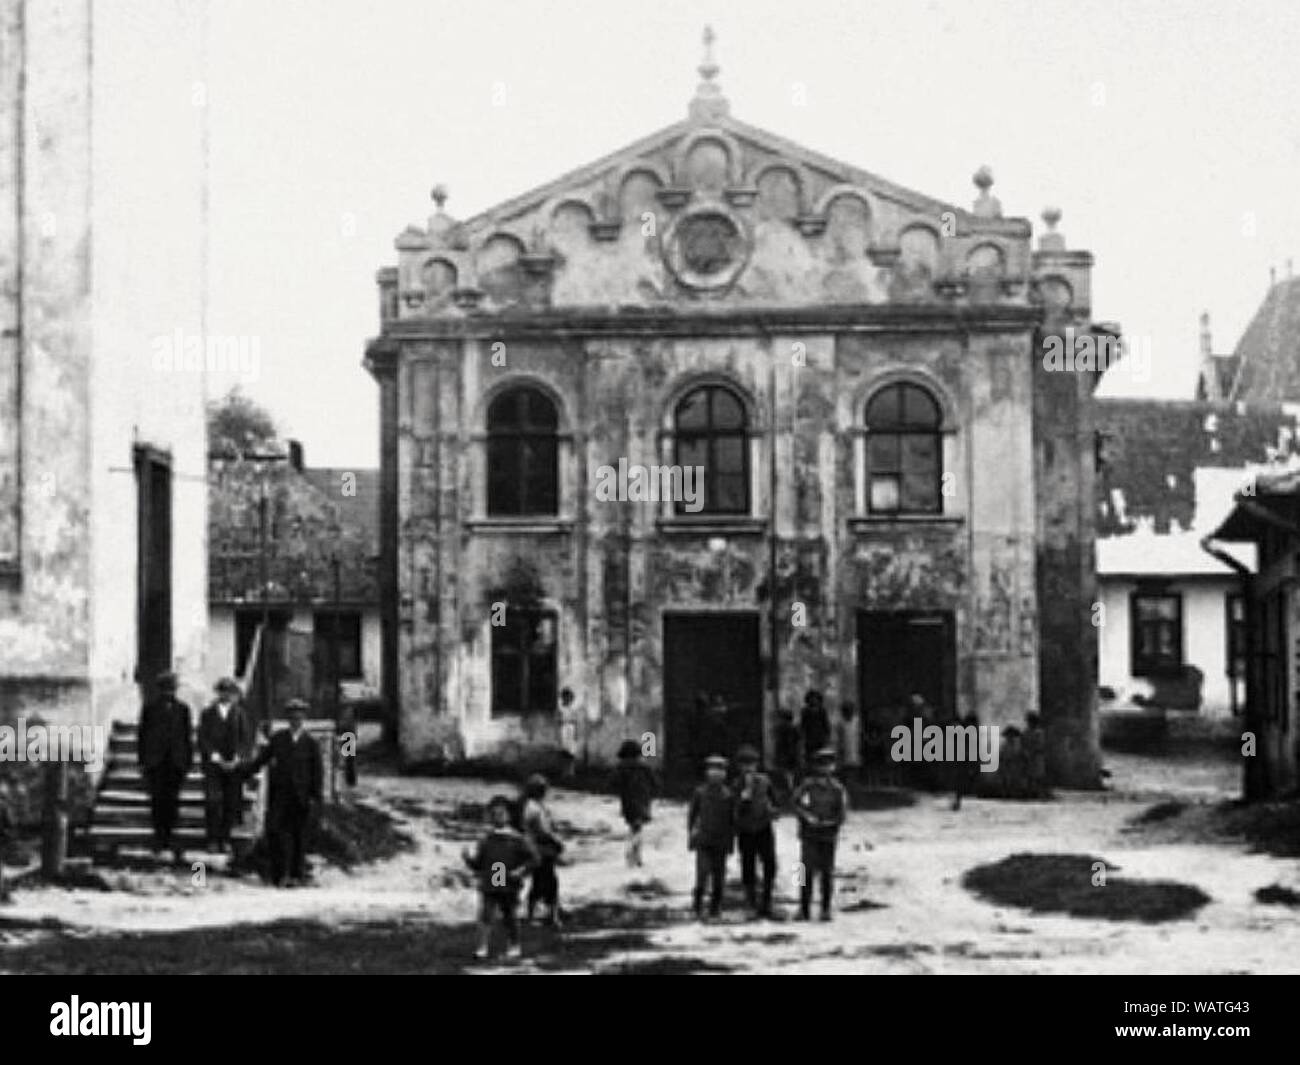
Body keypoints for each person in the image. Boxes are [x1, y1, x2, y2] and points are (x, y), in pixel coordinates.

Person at [243, 699, 322, 887]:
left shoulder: (311, 743)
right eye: (292, 717)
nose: (296, 721)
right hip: (280, 796)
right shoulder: (278, 739)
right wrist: (242, 771)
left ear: (303, 719)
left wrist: (315, 797)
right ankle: (280, 874)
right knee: (277, 834)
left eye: (299, 717)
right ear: (288, 719)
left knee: (299, 836)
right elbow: (261, 760)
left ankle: (297, 874)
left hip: (301, 798)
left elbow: (317, 773)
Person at [463, 794, 538, 960]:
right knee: (485, 915)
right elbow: (478, 863)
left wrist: (521, 870)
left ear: (509, 816)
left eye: (501, 814)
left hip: (509, 882)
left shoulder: (517, 839)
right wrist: (468, 859)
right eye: (494, 814)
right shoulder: (486, 839)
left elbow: (533, 859)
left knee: (510, 915)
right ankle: (482, 947)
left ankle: (514, 945)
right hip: (490, 882)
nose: (498, 817)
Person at [137, 672, 193, 863]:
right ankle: (158, 838)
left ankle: (170, 837)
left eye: (172, 687)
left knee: (172, 800)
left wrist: (187, 761)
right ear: (160, 689)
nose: (169, 691)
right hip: (156, 762)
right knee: (157, 801)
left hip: (176, 762)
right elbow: (142, 735)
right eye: (166, 687)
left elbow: (186, 737)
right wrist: (143, 760)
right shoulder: (150, 708)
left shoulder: (183, 709)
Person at [792, 747, 849, 921]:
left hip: (828, 834)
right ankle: (803, 908)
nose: (825, 769)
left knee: (827, 872)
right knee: (804, 872)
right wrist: (807, 816)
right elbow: (795, 803)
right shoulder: (808, 786)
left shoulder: (837, 789)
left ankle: (825, 908)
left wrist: (832, 822)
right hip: (809, 834)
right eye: (822, 765)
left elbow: (842, 812)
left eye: (829, 765)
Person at [198, 677, 250, 853]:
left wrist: (237, 758)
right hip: (213, 765)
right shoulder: (208, 713)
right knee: (212, 801)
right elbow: (203, 738)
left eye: (229, 692)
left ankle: (225, 839)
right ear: (218, 693)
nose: (226, 695)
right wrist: (214, 756)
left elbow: (244, 739)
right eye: (223, 691)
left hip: (233, 766)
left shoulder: (239, 714)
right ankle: (212, 839)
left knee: (230, 802)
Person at [732, 744, 778, 918]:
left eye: (751, 764)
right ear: (739, 767)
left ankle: (767, 900)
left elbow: (775, 801)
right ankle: (751, 901)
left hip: (763, 827)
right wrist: (743, 799)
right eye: (745, 764)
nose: (749, 768)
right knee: (748, 865)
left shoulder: (765, 781)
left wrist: (772, 809)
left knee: (769, 864)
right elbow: (733, 809)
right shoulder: (736, 785)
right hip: (746, 829)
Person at [687, 754, 734, 921]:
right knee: (702, 873)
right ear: (706, 772)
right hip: (704, 840)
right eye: (712, 770)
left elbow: (731, 820)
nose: (716, 774)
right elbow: (692, 817)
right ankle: (697, 905)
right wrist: (691, 837)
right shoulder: (700, 793)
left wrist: (730, 843)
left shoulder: (728, 795)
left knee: (719, 877)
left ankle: (715, 907)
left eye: (720, 770)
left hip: (720, 841)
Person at [521, 773, 563, 927]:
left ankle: (536, 914)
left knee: (538, 882)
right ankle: (551, 916)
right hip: (542, 849)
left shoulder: (530, 805)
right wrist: (556, 841)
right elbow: (543, 830)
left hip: (534, 848)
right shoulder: (535, 808)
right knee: (549, 882)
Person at [612, 739, 656, 868]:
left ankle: (635, 856)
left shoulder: (620, 767)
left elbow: (612, 783)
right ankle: (634, 854)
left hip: (628, 802)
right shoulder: (645, 767)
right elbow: (655, 783)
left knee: (634, 827)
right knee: (638, 828)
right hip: (643, 801)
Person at [773, 707, 801, 798]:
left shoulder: (782, 728)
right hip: (791, 755)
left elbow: (782, 743)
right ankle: (790, 791)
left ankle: (789, 791)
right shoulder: (793, 728)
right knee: (790, 774)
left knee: (786, 774)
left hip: (786, 755)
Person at [799, 691, 831, 768]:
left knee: (820, 758)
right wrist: (802, 737)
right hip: (809, 739)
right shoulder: (805, 711)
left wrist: (827, 737)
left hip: (820, 738)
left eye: (815, 698)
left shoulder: (822, 711)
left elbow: (826, 725)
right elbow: (803, 725)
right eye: (811, 698)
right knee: (810, 758)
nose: (813, 700)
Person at [833, 701, 862, 781]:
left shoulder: (857, 721)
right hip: (845, 756)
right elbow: (839, 741)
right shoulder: (840, 723)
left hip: (856, 755)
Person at [1024, 713, 1049, 798]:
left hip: (1037, 757)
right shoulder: (1026, 732)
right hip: (1028, 757)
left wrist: (1033, 750)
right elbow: (1024, 743)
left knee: (1039, 776)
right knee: (1029, 776)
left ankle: (1040, 793)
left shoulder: (1039, 733)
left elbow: (1041, 744)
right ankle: (1030, 793)